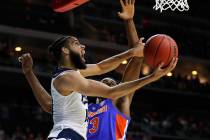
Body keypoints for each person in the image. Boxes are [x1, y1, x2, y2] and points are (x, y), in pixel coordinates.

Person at [19, 3, 177, 140]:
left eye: (112, 82)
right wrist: (29, 72)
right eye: (105, 81)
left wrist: (129, 21)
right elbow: (49, 105)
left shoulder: (119, 103)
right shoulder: (82, 106)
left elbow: (135, 57)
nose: (107, 80)